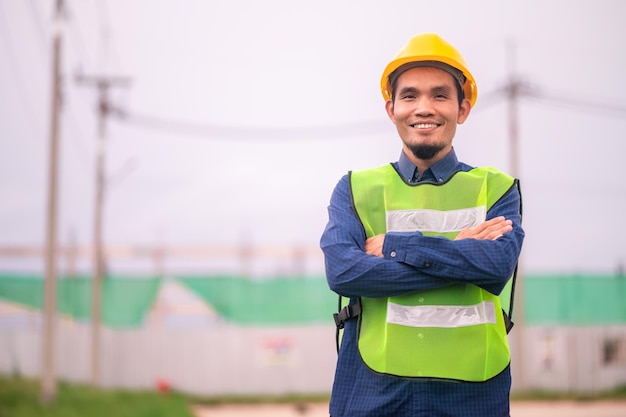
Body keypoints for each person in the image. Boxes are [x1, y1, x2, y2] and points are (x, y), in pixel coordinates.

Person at [320, 33, 525, 417]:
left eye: (440, 95)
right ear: (391, 108)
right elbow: (345, 272)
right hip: (373, 388)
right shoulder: (355, 188)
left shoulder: (496, 189)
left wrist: (398, 246)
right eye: (410, 95)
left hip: (473, 391)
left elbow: (495, 268)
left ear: (462, 109)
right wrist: (459, 256)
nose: (424, 108)